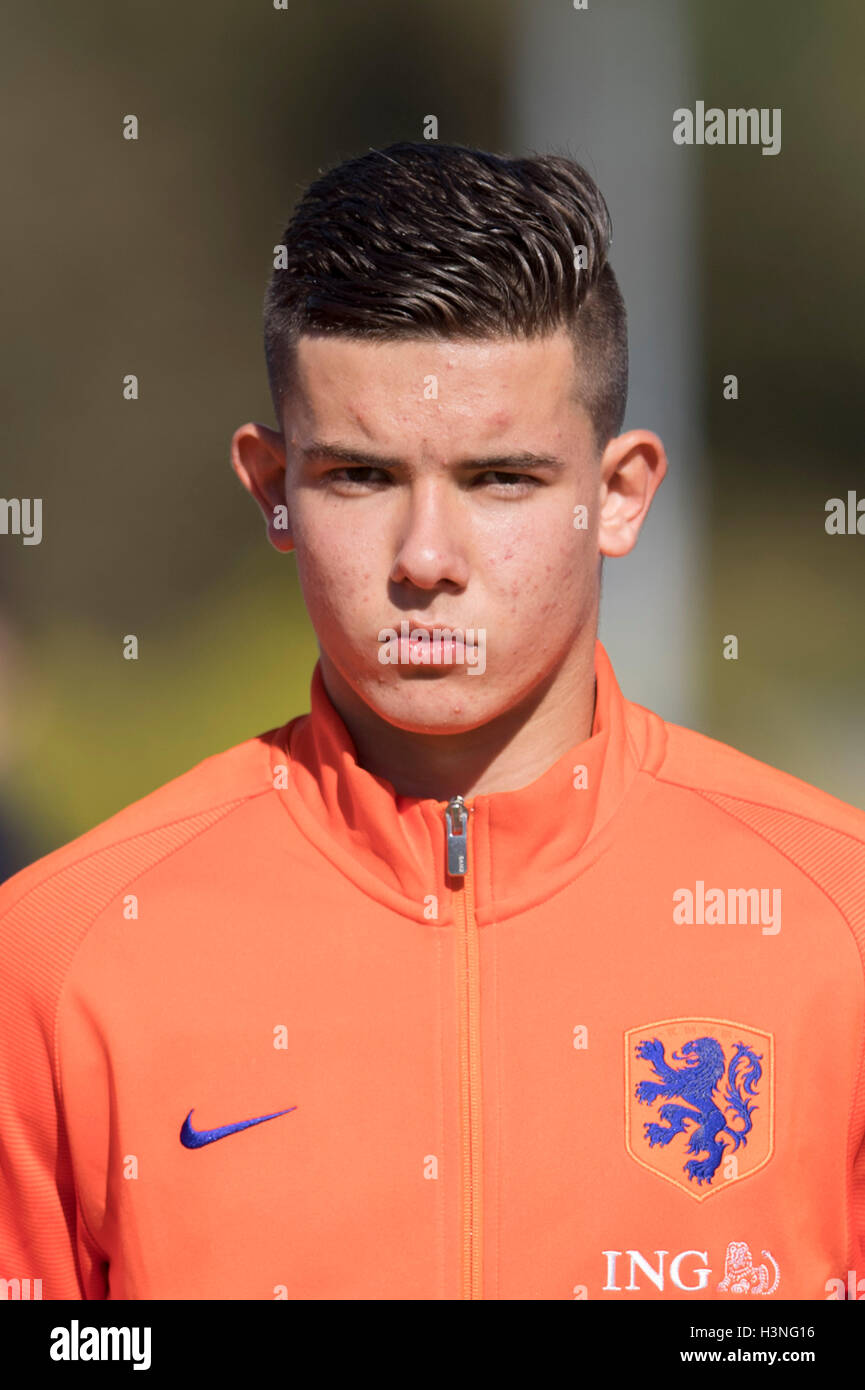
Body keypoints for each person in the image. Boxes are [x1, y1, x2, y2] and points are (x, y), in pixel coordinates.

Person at [1, 142, 864, 1302]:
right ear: (273, 491)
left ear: (616, 497)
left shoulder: (834, 926)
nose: (424, 561)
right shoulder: (58, 956)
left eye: (500, 479)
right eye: (359, 477)